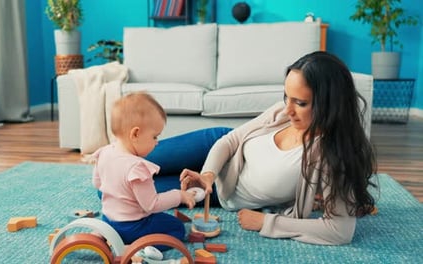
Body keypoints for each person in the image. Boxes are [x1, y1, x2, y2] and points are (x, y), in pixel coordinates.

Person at [145, 51, 377, 245]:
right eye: (287, 97)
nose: (288, 109)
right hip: (214, 150)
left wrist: (265, 222)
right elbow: (231, 140)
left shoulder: (333, 156)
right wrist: (207, 175)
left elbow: (340, 231)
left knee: (135, 190)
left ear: (330, 104)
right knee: (135, 158)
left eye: (301, 103)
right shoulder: (281, 112)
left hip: (221, 192)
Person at [89, 92, 196, 251]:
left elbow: (97, 183)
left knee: (161, 221)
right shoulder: (137, 168)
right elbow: (151, 205)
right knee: (176, 228)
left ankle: (105, 234)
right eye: (154, 137)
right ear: (135, 134)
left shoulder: (104, 152)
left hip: (108, 218)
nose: (157, 142)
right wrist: (179, 195)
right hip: (133, 226)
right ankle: (135, 246)